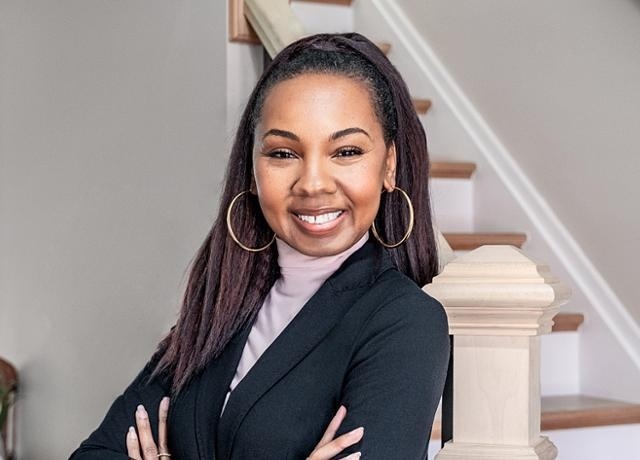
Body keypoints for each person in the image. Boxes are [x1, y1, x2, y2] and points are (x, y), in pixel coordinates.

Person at [69, 32, 450, 460]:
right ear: (253, 169)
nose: (313, 184)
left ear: (389, 165)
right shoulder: (219, 304)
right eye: (284, 154)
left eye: (346, 151)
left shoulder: (405, 321)